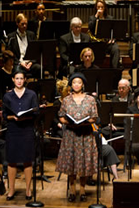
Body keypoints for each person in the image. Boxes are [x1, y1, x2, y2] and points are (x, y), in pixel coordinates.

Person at [56, 72, 98, 202]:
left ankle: (83, 189)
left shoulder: (90, 99)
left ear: (83, 84)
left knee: (84, 162)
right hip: (71, 134)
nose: (76, 85)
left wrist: (85, 122)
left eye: (79, 82)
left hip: (85, 134)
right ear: (71, 84)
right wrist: (68, 122)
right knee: (71, 162)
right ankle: (72, 189)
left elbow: (94, 117)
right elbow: (61, 116)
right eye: (74, 82)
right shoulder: (66, 100)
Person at [2, 69, 38, 201]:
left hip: (27, 129)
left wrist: (25, 117)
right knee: (12, 161)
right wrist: (13, 117)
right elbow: (5, 115)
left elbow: (36, 112)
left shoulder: (31, 94)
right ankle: (11, 190)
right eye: (17, 78)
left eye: (21, 78)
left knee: (28, 160)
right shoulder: (7, 96)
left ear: (25, 80)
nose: (19, 81)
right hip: (13, 130)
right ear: (13, 79)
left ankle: (28, 190)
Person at [86, 0, 121, 69]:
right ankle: (94, 69)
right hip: (96, 43)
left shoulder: (110, 18)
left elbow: (114, 31)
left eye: (102, 7)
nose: (100, 9)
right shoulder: (92, 18)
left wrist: (113, 39)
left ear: (105, 8)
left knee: (115, 48)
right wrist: (96, 16)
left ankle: (114, 70)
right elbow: (90, 27)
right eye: (98, 7)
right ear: (96, 8)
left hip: (107, 43)